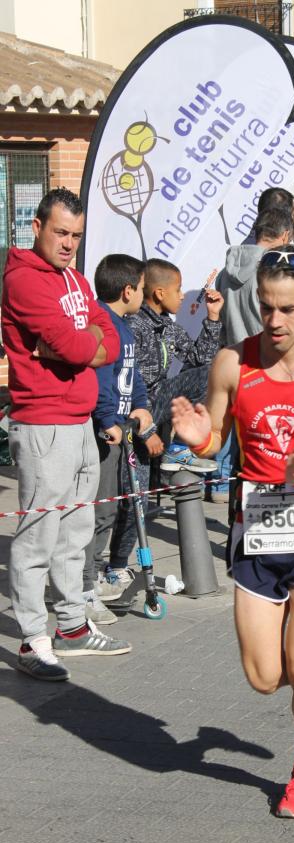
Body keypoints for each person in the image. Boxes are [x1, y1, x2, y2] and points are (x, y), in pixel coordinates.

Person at [170, 246, 294, 818]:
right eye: (266, 306)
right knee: (264, 677)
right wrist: (197, 438)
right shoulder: (234, 363)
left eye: (287, 308)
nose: (274, 321)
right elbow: (216, 441)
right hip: (254, 527)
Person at [1, 187, 131, 681]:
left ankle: (73, 626)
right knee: (38, 536)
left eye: (75, 235)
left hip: (78, 422)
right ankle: (33, 640)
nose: (68, 243)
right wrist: (80, 347)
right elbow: (72, 345)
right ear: (36, 227)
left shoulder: (73, 278)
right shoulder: (24, 281)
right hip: (43, 423)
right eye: (60, 232)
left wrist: (83, 346)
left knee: (75, 532)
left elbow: (107, 336)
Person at [82, 255, 158, 622]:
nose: (143, 294)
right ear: (128, 290)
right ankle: (87, 583)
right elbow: (101, 378)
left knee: (113, 507)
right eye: (142, 288)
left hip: (123, 430)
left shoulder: (124, 328)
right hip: (105, 435)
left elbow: (134, 377)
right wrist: (108, 419)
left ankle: (100, 576)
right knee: (100, 511)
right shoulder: (102, 324)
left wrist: (141, 407)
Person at [124, 258, 223, 534]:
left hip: (158, 404)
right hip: (137, 413)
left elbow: (200, 358)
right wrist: (146, 430)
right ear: (159, 293)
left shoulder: (168, 326)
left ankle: (179, 448)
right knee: (134, 500)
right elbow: (133, 384)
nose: (182, 296)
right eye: (178, 290)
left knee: (212, 371)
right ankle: (114, 563)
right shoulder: (137, 326)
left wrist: (212, 317)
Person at [217, 207, 293, 346]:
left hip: (234, 357)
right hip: (269, 357)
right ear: (285, 235)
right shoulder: (276, 270)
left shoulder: (224, 273)